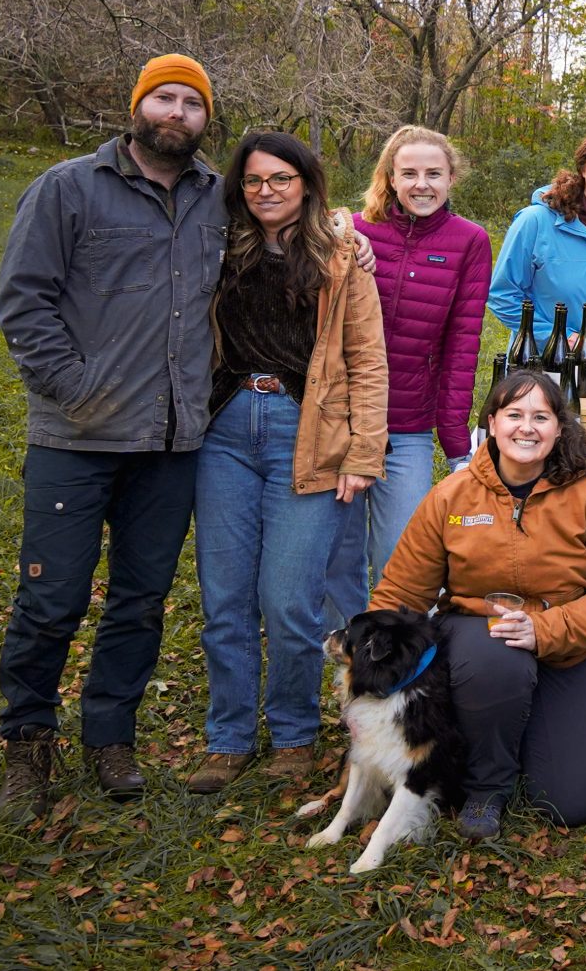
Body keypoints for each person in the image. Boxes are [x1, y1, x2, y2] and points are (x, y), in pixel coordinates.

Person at [0, 54, 221, 816]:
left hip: (171, 442)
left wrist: (347, 233)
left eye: (192, 103)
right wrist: (75, 386)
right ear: (137, 106)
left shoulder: (218, 199)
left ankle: (110, 734)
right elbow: (24, 301)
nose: (177, 113)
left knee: (141, 598)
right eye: (165, 98)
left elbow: (290, 235)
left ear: (205, 120)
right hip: (76, 437)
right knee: (51, 598)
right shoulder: (68, 189)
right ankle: (27, 742)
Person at [186, 132, 388, 793]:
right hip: (225, 430)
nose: (265, 190)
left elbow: (367, 358)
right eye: (252, 180)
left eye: (279, 178)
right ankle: (229, 736)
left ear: (306, 183)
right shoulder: (219, 245)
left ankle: (294, 732)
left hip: (307, 435)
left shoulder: (338, 256)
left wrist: (363, 451)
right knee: (225, 599)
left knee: (290, 599)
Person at [372, 372, 586, 841]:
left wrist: (546, 630)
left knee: (572, 803)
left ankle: (520, 728)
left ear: (560, 428)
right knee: (498, 657)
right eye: (514, 415)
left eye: (541, 416)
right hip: (477, 643)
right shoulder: (452, 495)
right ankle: (487, 787)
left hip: (565, 646)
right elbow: (402, 592)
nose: (527, 428)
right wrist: (373, 673)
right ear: (492, 424)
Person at [324, 125, 493, 632]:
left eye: (434, 174)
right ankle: (343, 665)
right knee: (338, 557)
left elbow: (462, 346)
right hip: (340, 422)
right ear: (390, 178)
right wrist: (332, 230)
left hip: (408, 430)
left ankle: (393, 669)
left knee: (402, 556)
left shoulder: (470, 242)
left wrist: (456, 441)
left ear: (451, 178)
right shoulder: (351, 231)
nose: (422, 184)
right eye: (410, 173)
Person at [489, 128, 586, 362]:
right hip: (541, 365)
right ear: (583, 168)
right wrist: (558, 338)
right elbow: (502, 295)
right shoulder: (536, 221)